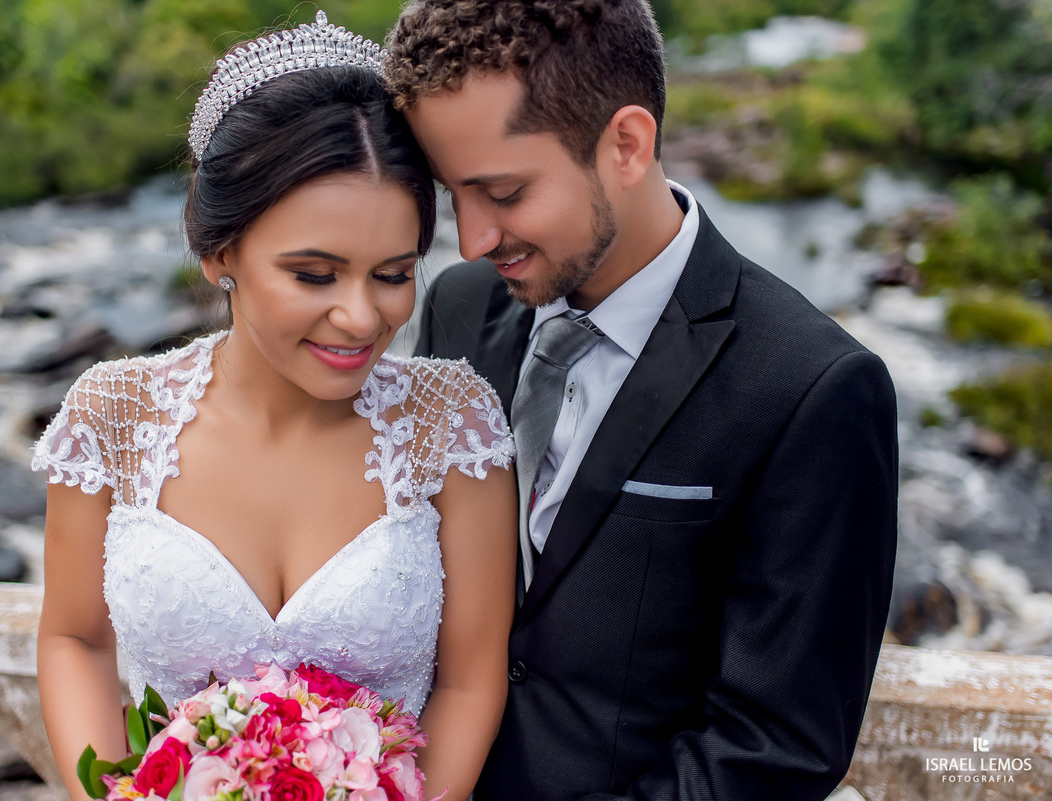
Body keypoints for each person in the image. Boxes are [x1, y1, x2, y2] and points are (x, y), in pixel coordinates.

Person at [384, 1, 899, 799]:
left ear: (626, 144)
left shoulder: (812, 389)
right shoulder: (457, 307)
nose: (476, 237)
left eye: (506, 192)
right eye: (455, 195)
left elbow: (777, 744)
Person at [32, 13, 517, 801]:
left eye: (393, 273)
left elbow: (468, 680)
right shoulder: (112, 417)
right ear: (219, 251)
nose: (363, 317)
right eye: (315, 275)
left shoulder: (451, 424)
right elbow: (75, 639)